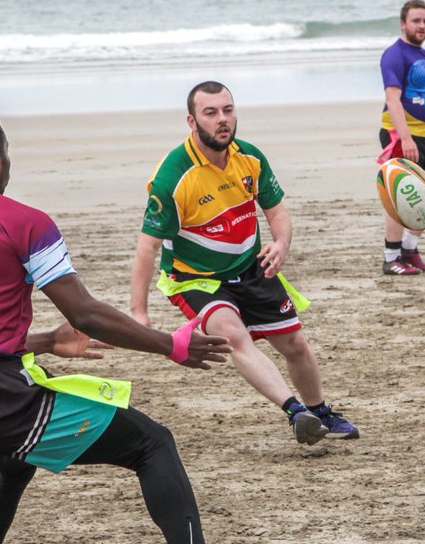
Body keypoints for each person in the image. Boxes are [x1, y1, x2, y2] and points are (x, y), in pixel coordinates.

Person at [0, 108, 297, 544]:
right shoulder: (22, 221)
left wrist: (44, 342)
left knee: (11, 466)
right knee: (152, 444)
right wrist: (170, 345)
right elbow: (85, 311)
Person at [130, 81, 359, 444]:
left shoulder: (249, 157)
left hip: (250, 266)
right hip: (196, 279)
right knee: (233, 334)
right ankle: (295, 412)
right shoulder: (173, 177)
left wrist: (281, 244)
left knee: (295, 344)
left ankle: (319, 412)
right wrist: (138, 311)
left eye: (228, 110)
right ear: (191, 121)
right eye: (211, 113)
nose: (222, 120)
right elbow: (147, 247)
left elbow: (277, 211)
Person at [378, 0, 425, 275]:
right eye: (416, 21)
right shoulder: (394, 55)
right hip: (399, 136)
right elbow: (392, 98)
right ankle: (391, 257)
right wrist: (405, 138)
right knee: (398, 197)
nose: (422, 26)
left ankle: (409, 249)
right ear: (403, 24)